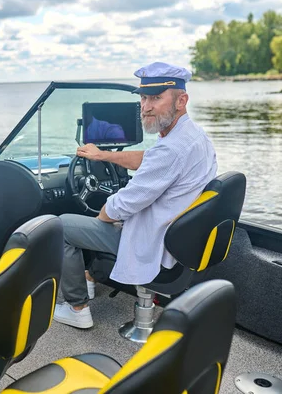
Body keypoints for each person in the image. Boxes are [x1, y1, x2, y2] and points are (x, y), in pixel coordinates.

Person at [53, 61, 218, 329]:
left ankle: (77, 308)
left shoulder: (171, 150)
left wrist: (102, 215)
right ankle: (92, 279)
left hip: (155, 244)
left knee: (63, 226)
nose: (146, 106)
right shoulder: (192, 136)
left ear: (181, 100)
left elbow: (120, 206)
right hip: (179, 240)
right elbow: (149, 158)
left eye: (156, 98)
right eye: (143, 98)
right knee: (105, 220)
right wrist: (103, 155)